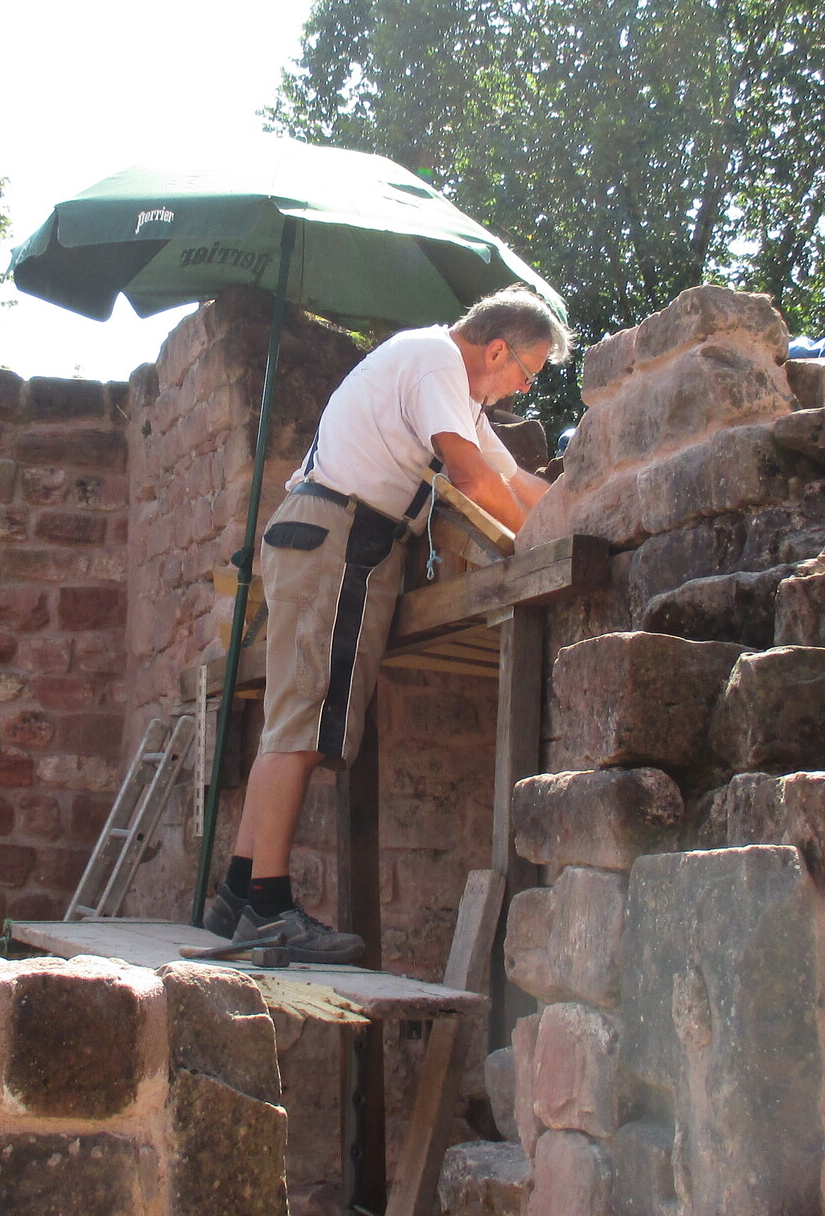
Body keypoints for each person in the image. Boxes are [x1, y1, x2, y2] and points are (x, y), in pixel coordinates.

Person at [202, 287, 572, 961]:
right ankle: (267, 906)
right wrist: (543, 544)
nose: (524, 388)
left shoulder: (450, 385)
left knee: (291, 718)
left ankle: (235, 894)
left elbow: (513, 478)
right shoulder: (436, 361)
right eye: (528, 371)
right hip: (339, 537)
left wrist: (576, 510)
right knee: (305, 722)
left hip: (324, 534)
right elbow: (474, 482)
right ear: (497, 349)